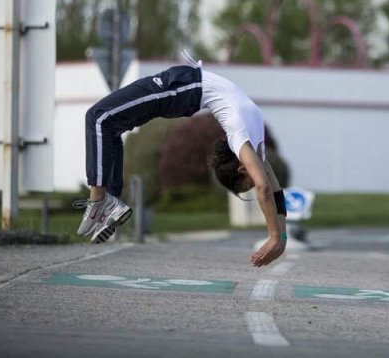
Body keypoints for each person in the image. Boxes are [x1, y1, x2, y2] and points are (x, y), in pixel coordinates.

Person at [74, 51, 287, 267]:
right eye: (249, 181)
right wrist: (277, 238)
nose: (256, 175)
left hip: (183, 89)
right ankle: (107, 200)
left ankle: (102, 201)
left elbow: (271, 190)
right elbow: (268, 189)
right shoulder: (243, 140)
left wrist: (280, 240)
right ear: (243, 168)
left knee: (99, 118)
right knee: (105, 122)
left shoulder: (249, 143)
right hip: (182, 86)